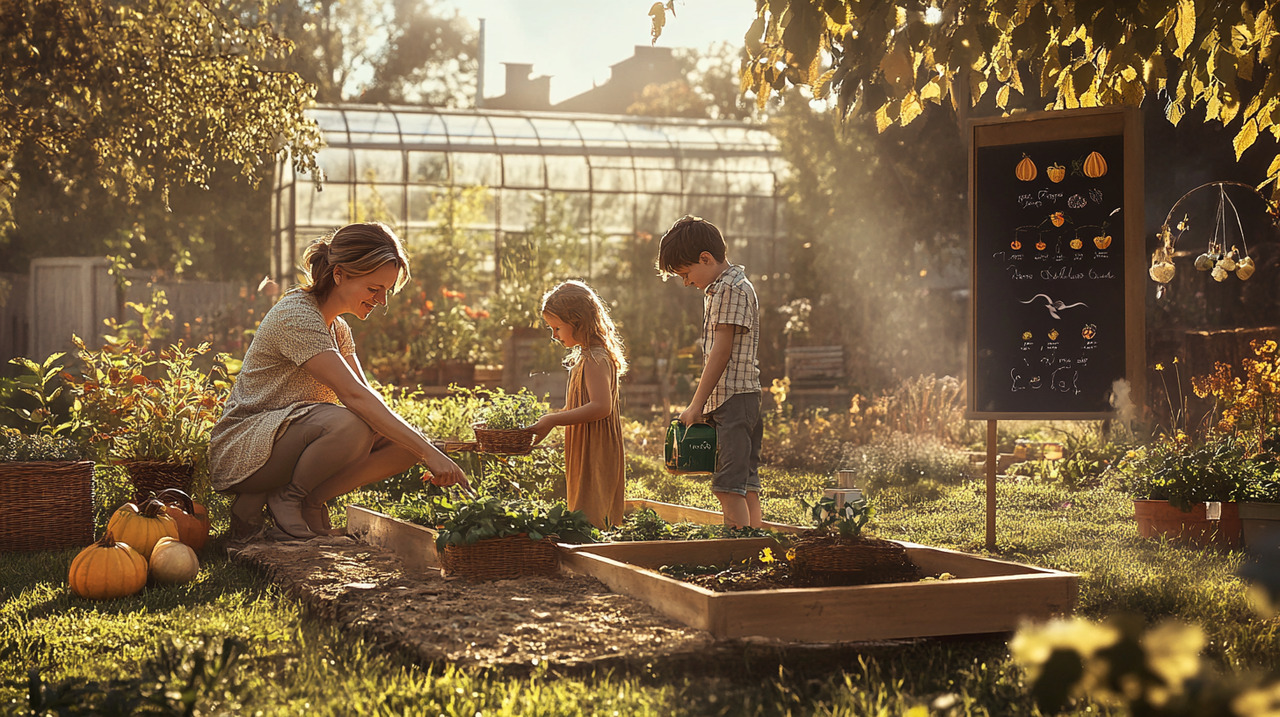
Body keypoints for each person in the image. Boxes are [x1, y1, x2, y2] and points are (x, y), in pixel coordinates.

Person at [209, 222, 469, 540]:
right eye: (374, 289)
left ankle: (310, 502)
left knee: (405, 445)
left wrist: (424, 448)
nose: (382, 301)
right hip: (244, 449)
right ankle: (287, 498)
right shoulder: (296, 316)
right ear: (340, 274)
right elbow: (353, 396)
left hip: (286, 440)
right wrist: (431, 453)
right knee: (352, 424)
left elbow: (368, 397)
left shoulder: (337, 328)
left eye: (386, 291)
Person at [656, 215, 763, 529]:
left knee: (727, 486)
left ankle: (736, 548)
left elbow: (721, 351)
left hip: (734, 399)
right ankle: (756, 544)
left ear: (705, 258)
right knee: (744, 484)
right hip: (740, 397)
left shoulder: (730, 289)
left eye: (686, 273)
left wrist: (696, 405)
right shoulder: (727, 287)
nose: (686, 282)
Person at [526, 280, 628, 529]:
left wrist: (552, 420)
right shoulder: (585, 357)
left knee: (592, 507)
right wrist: (550, 421)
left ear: (578, 321)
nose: (554, 335)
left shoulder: (595, 358)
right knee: (584, 501)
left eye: (557, 328)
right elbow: (582, 406)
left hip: (596, 445)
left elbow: (601, 406)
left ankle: (593, 545)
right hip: (586, 442)